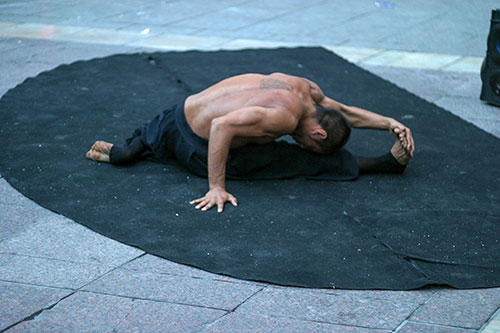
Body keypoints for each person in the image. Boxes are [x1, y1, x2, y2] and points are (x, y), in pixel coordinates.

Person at [86, 73, 415, 213]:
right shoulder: (284, 118)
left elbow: (341, 111)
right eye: (312, 144)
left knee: (258, 137)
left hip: (170, 118)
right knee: (287, 159)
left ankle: (135, 147)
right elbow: (221, 126)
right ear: (319, 135)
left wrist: (388, 122)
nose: (303, 144)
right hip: (196, 146)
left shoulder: (304, 89)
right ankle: (384, 165)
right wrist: (216, 186)